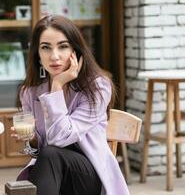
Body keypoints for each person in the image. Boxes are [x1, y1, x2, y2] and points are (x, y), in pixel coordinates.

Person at [12, 15, 129, 195]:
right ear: (37, 53)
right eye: (46, 48)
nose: (54, 56)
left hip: (90, 175)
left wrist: (57, 86)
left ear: (76, 50)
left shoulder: (97, 87)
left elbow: (60, 138)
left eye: (63, 46)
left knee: (51, 154)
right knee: (48, 157)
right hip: (54, 171)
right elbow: (40, 151)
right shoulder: (30, 92)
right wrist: (33, 139)